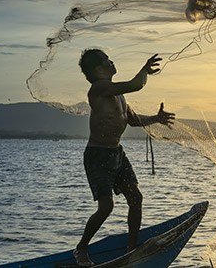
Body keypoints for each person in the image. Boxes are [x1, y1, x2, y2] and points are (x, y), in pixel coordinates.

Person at [73, 49, 175, 267]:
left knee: (135, 199)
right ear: (99, 68)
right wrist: (145, 70)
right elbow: (136, 84)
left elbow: (134, 120)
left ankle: (131, 248)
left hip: (117, 153)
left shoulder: (118, 95)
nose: (112, 61)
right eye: (108, 60)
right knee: (106, 207)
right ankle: (81, 248)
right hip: (98, 155)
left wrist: (156, 118)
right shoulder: (99, 89)